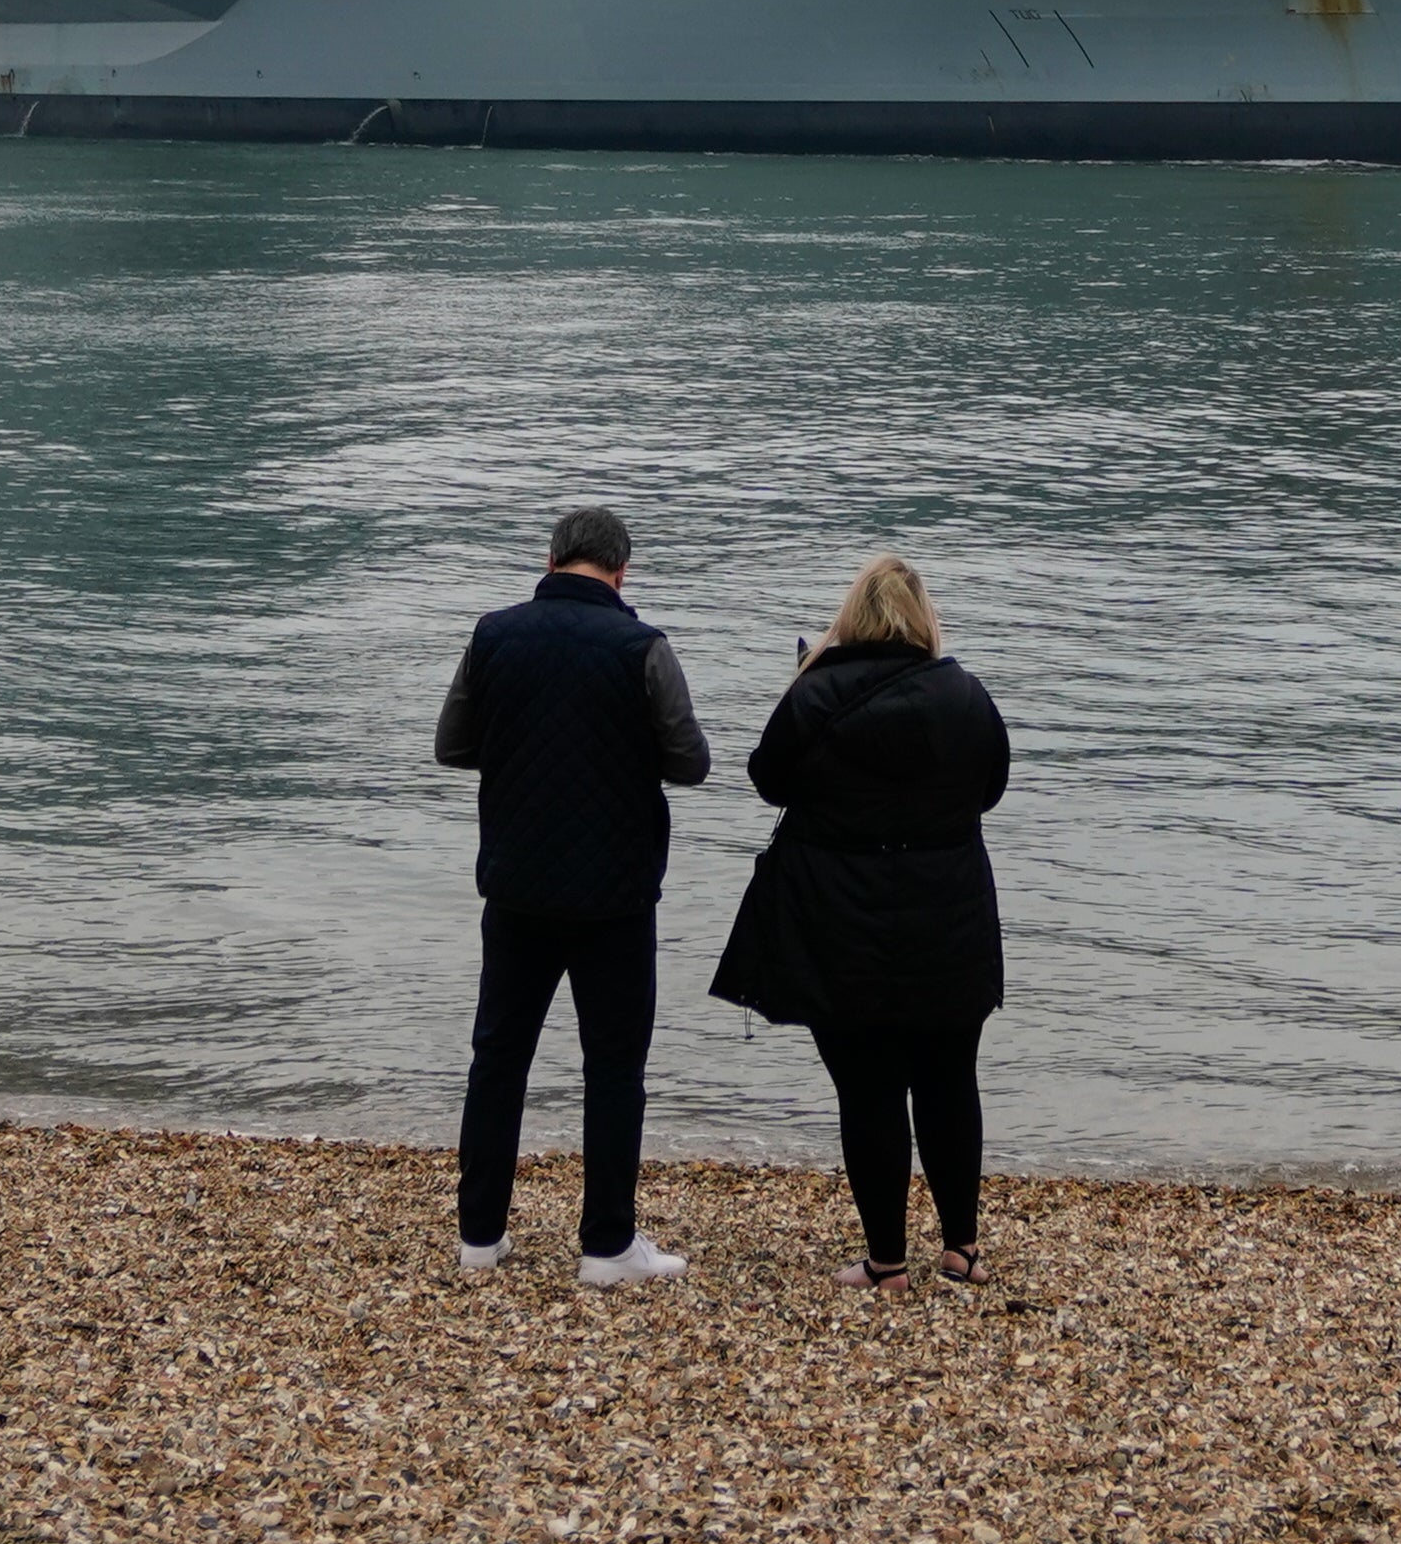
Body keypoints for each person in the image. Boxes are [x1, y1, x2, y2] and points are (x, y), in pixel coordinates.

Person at [434, 503, 709, 1286]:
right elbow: (690, 762)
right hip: (616, 895)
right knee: (614, 1067)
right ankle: (606, 1245)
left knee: (499, 1058)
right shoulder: (642, 647)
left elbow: (451, 745)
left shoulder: (494, 634)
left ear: (551, 560)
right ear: (621, 573)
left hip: (516, 884)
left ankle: (480, 1236)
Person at [722, 552, 1013, 1288]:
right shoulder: (966, 694)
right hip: (949, 910)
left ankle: (886, 1261)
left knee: (868, 1087)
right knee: (951, 1079)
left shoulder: (815, 694)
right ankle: (962, 1250)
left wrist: (799, 685)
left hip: (838, 916)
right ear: (923, 620)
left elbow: (768, 782)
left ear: (850, 617)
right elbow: (992, 790)